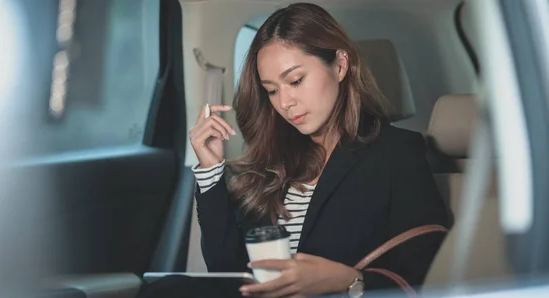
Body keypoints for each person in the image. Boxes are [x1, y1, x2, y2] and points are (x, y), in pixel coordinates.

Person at [139, 2, 452, 298]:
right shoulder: (273, 161)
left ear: (340, 65)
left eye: (296, 80)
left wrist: (347, 281)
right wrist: (210, 172)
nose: (284, 103)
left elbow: (425, 277)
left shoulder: (397, 153)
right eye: (272, 90)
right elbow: (231, 274)